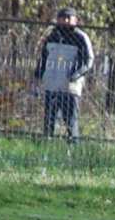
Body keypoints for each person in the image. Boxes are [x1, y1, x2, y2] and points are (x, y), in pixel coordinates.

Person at [33, 7, 94, 142]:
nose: (65, 21)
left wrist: (75, 75)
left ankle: (73, 147)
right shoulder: (52, 36)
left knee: (71, 121)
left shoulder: (81, 37)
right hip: (51, 85)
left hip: (70, 87)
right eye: (62, 17)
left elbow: (89, 60)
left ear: (75, 20)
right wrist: (38, 76)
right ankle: (46, 145)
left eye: (69, 18)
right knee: (49, 120)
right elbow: (43, 59)